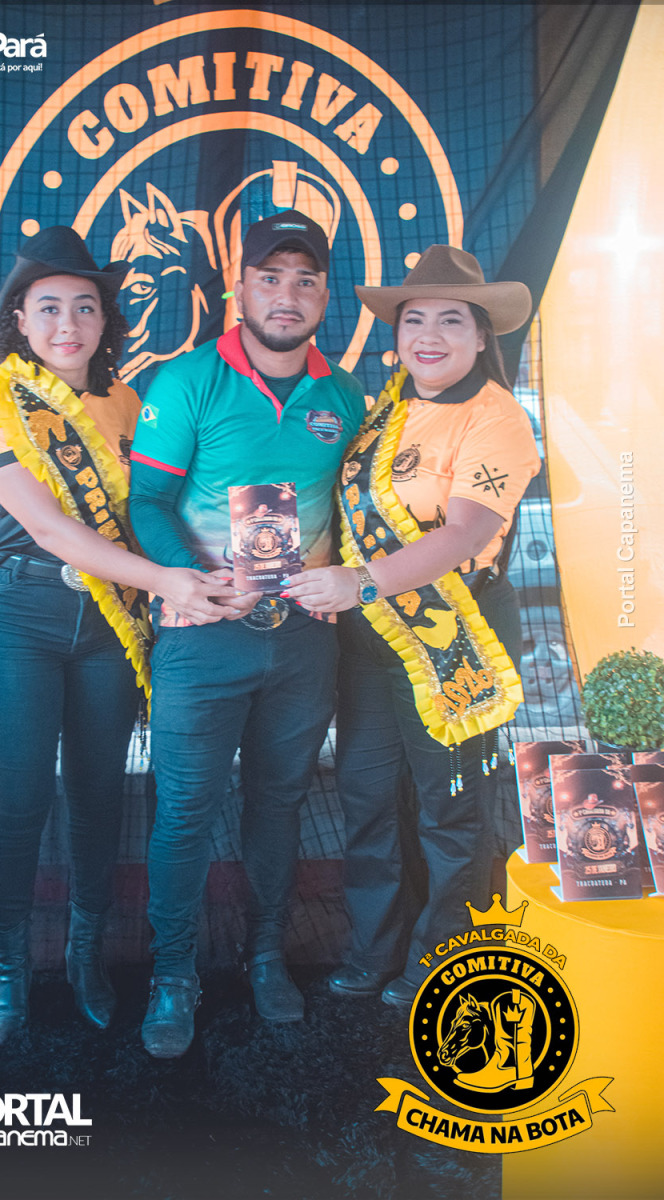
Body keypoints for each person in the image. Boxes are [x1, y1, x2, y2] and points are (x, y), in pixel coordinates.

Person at [0, 226, 233, 1045]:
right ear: (18, 318)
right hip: (19, 618)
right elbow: (49, 529)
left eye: (85, 306)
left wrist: (220, 560)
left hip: (109, 623)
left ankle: (85, 953)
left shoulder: (128, 404)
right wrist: (166, 581)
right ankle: (10, 965)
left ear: (106, 318)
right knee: (17, 799)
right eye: (48, 307)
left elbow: (158, 507)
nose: (68, 323)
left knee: (97, 794)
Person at [129, 210, 366, 1057]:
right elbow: (147, 503)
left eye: (305, 280)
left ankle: (266, 954)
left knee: (281, 802)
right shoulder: (187, 380)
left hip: (302, 642)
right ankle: (172, 974)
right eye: (271, 278)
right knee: (185, 811)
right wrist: (186, 579)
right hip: (203, 636)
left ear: (325, 296)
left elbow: (363, 510)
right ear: (241, 288)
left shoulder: (346, 396)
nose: (287, 295)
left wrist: (347, 578)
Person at [283, 244, 540, 1007]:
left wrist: (357, 582)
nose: (429, 335)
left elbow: (464, 533)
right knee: (366, 798)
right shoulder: (384, 412)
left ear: (481, 335)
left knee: (449, 808)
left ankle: (447, 954)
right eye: (414, 319)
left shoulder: (497, 418)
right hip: (369, 641)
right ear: (396, 334)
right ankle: (376, 948)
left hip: (454, 635)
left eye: (451, 320)